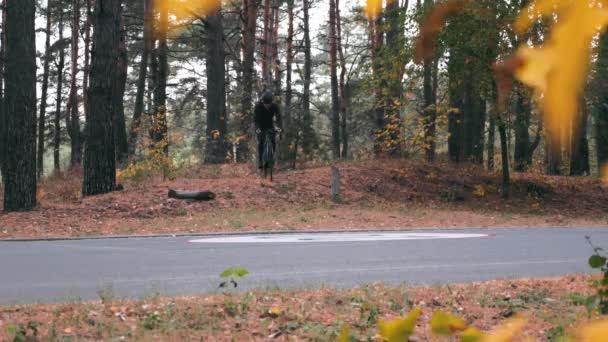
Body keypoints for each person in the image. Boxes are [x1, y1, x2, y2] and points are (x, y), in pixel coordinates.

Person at [254, 91, 282, 169]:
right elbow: (255, 120)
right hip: (260, 126)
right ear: (262, 102)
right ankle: (260, 161)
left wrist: (279, 127)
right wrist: (257, 129)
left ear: (271, 102)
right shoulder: (258, 106)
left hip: (270, 126)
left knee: (273, 142)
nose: (267, 106)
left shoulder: (274, 106)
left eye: (269, 104)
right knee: (261, 143)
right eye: (265, 104)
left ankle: (270, 158)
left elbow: (279, 117)